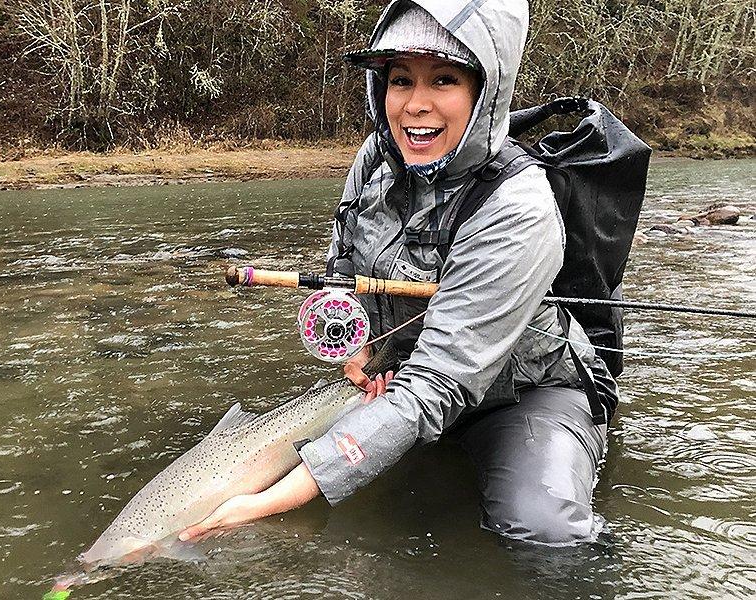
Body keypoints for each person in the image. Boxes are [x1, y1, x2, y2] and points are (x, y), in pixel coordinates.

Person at [181, 0, 617, 546]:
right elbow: (340, 272)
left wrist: (274, 500)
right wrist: (352, 351)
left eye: (444, 79)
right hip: (399, 378)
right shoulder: (376, 159)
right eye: (400, 79)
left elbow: (442, 378)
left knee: (542, 532)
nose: (415, 104)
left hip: (520, 393)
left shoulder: (519, 207)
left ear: (485, 92)